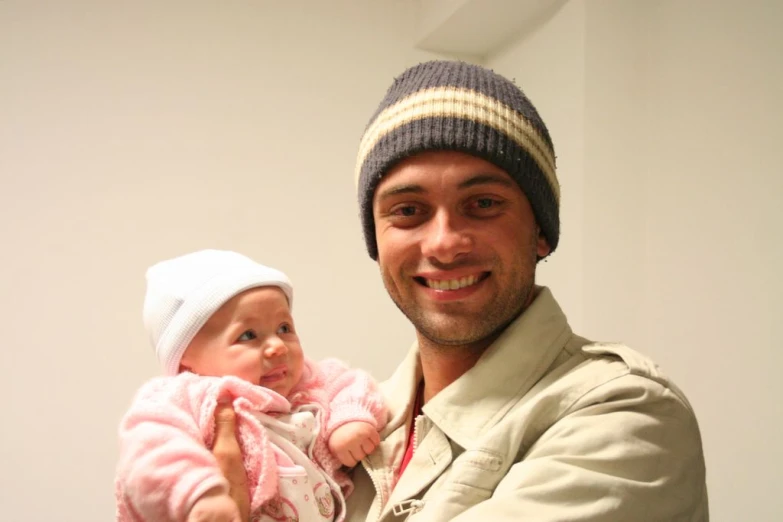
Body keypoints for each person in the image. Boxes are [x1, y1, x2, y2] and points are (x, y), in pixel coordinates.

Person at [216, 60, 709, 521]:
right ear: (377, 241)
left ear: (540, 230)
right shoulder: (343, 418)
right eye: (408, 210)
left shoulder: (627, 416)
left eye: (484, 203)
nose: (445, 244)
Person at [115, 249, 387, 522]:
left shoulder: (305, 379)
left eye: (284, 328)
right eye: (248, 335)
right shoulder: (183, 399)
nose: (278, 346)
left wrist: (349, 419)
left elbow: (348, 381)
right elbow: (151, 451)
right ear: (186, 361)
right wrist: (198, 494)